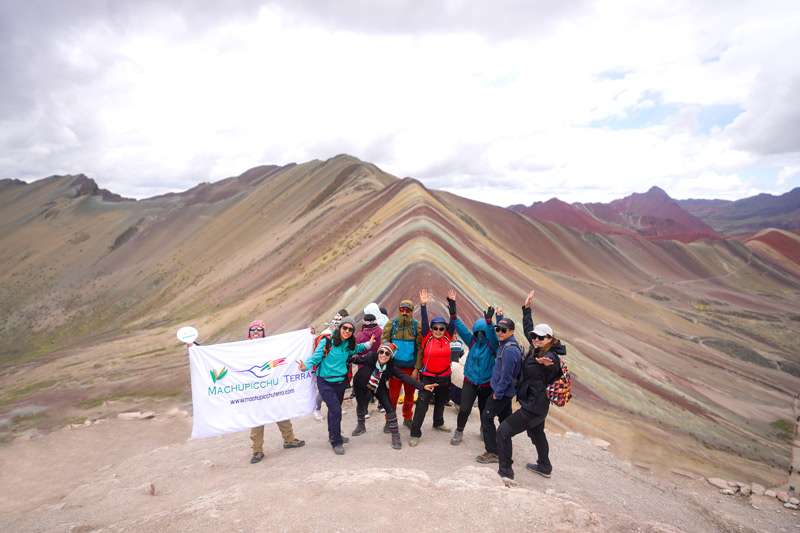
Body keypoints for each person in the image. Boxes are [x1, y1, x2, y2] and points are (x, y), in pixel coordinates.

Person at [496, 289, 565, 483]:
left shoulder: (550, 357)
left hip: (533, 408)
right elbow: (528, 329)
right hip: (537, 406)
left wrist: (546, 366)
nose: (536, 339)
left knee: (503, 432)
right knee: (536, 433)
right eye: (535, 336)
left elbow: (553, 370)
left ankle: (506, 473)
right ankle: (544, 466)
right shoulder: (537, 347)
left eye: (541, 337)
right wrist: (527, 309)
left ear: (550, 339)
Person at [298, 317, 373, 455]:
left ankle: (333, 435)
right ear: (340, 327)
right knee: (336, 410)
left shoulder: (347, 343)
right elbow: (316, 358)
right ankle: (336, 442)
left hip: (340, 383)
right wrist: (305, 366)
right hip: (325, 383)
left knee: (334, 411)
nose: (347, 331)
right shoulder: (327, 341)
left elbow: (355, 349)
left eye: (350, 329)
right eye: (345, 328)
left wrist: (368, 344)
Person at [350, 341, 437, 449]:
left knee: (390, 408)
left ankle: (395, 435)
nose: (383, 355)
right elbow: (354, 360)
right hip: (360, 385)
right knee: (361, 405)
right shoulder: (370, 357)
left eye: (387, 353)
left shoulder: (390, 367)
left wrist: (422, 386)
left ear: (391, 356)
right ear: (378, 352)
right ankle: (361, 425)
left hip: (378, 386)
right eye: (381, 352)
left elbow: (404, 376)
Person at [245, 320, 305, 464]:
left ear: (263, 332)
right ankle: (257, 450)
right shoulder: (242, 348)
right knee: (257, 420)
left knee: (281, 413)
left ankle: (289, 440)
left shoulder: (271, 345)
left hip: (272, 387)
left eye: (259, 329)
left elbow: (286, 349)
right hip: (255, 392)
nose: (256, 331)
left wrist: (307, 334)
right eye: (253, 329)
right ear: (249, 332)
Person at [446, 290, 500, 446]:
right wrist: (453, 314)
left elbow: (493, 337)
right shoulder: (472, 342)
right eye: (478, 332)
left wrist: (489, 323)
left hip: (486, 383)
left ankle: (483, 428)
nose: (480, 334)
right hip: (470, 381)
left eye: (483, 332)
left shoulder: (492, 345)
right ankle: (459, 430)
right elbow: (461, 328)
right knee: (464, 409)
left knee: (484, 410)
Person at [409, 289, 455, 447]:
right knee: (422, 406)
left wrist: (452, 303)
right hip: (428, 377)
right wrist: (423, 306)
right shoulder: (426, 337)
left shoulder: (448, 337)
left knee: (441, 402)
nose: (438, 331)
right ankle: (415, 433)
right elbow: (424, 322)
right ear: (432, 328)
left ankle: (438, 423)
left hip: (445, 377)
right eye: (435, 328)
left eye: (441, 328)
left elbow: (453, 320)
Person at [476, 316, 521, 464]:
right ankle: (505, 453)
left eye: (503, 330)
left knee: (486, 418)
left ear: (512, 331)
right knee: (504, 422)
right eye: (498, 329)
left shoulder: (509, 350)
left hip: (501, 393)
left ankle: (493, 452)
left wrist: (498, 393)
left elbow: (506, 375)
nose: (500, 332)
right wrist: (499, 318)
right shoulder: (506, 343)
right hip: (506, 392)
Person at [381, 298, 422, 431]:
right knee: (393, 397)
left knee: (409, 395)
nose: (405, 312)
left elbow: (420, 348)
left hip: (410, 369)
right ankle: (390, 421)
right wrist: (388, 368)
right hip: (395, 368)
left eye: (408, 310)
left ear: (412, 311)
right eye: (402, 310)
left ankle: (408, 418)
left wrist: (416, 368)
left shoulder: (416, 326)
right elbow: (385, 345)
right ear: (399, 310)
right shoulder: (391, 324)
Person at [312, 309, 349, 421]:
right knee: (324, 392)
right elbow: (318, 354)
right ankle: (317, 408)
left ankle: (336, 408)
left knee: (335, 391)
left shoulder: (340, 335)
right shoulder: (326, 336)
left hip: (336, 369)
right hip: (325, 370)